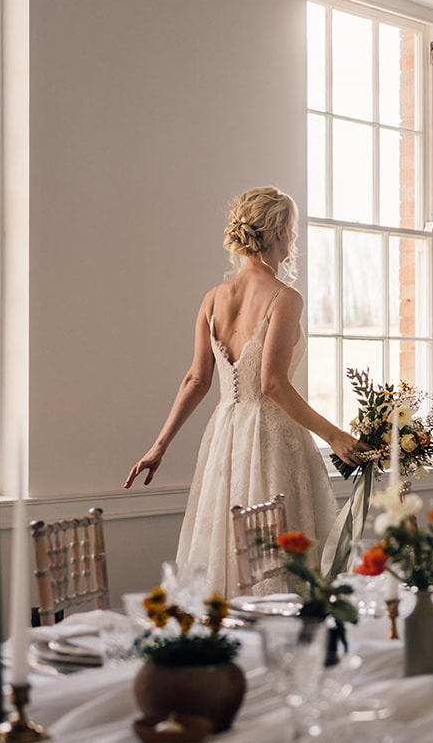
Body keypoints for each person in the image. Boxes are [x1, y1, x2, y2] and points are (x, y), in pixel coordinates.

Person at [124, 187, 373, 596]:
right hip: (273, 437)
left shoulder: (212, 299)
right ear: (277, 232)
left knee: (229, 542)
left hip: (226, 436)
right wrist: (335, 435)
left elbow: (197, 380)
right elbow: (272, 384)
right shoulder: (285, 297)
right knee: (280, 552)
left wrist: (159, 446)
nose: (293, 240)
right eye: (291, 230)